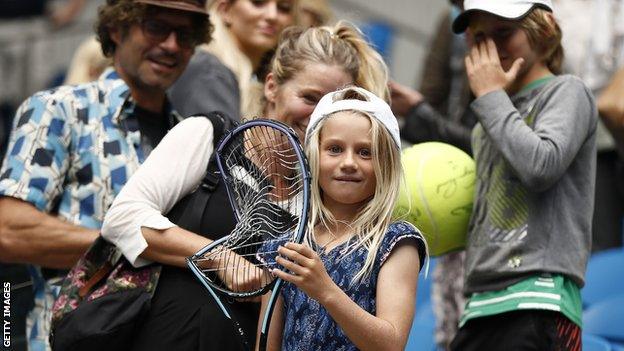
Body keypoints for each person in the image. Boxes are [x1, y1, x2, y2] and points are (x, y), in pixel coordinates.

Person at [100, 21, 389, 350]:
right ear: (271, 87)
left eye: (330, 107)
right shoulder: (210, 137)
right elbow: (123, 217)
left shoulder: (325, 198)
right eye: (308, 98)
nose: (316, 117)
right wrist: (221, 258)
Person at [0, 1, 211, 350]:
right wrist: (141, 242)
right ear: (117, 28)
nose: (172, 45)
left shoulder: (190, 136)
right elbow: (9, 230)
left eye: (186, 35)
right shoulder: (62, 109)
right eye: (156, 28)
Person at [448, 1, 596, 350]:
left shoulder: (567, 91)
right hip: (480, 304)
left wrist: (490, 96)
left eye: (504, 32)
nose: (491, 48)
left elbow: (540, 166)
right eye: (479, 37)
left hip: (539, 298)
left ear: (542, 32)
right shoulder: (489, 117)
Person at [255, 86, 428, 351]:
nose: (348, 162)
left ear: (387, 164)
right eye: (334, 149)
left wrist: (326, 290)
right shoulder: (285, 245)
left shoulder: (395, 243)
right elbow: (267, 344)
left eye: (365, 152)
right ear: (313, 155)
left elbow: (391, 344)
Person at [168, 0, 297, 121]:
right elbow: (222, 143)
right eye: (258, 2)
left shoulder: (247, 76)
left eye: (284, 8)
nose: (272, 15)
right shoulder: (208, 71)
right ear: (225, 10)